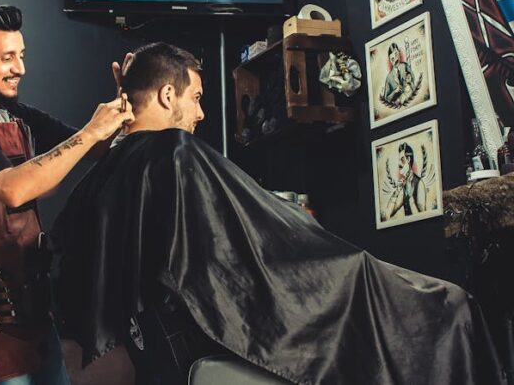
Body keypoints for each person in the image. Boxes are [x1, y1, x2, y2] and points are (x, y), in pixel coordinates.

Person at [51, 42, 505, 385]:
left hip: (150, 349)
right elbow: (263, 254)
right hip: (192, 339)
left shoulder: (94, 180)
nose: (201, 113)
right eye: (196, 98)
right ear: (168, 95)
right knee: (449, 307)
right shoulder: (173, 152)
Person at [0, 3, 133, 385]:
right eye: (7, 57)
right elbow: (13, 189)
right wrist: (91, 130)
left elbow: (93, 148)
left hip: (28, 301)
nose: (20, 67)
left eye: (21, 55)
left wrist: (124, 108)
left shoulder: (19, 116)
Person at [385, 142, 427, 218]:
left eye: (402, 159)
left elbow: (423, 217)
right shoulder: (404, 185)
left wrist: (410, 196)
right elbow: (388, 214)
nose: (398, 163)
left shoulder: (419, 183)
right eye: (398, 160)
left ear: (408, 159)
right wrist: (396, 192)